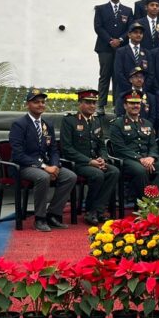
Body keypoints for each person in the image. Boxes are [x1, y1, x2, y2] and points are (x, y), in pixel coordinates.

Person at [8, 89, 77, 232]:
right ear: (28, 104)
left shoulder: (47, 124)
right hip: (24, 166)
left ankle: (53, 214)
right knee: (43, 177)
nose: (40, 105)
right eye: (36, 102)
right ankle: (39, 218)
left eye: (42, 102)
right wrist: (44, 167)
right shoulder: (19, 124)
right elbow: (18, 154)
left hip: (45, 165)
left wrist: (54, 165)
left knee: (70, 176)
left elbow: (53, 150)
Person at [60, 89, 119, 225]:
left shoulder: (97, 120)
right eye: (88, 102)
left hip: (95, 162)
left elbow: (102, 145)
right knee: (97, 175)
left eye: (94, 103)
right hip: (77, 163)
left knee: (114, 171)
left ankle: (98, 210)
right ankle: (90, 211)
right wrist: (89, 161)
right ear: (80, 103)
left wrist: (102, 158)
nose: (92, 106)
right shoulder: (69, 120)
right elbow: (67, 149)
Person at [109, 92, 159, 201]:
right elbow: (119, 148)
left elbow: (153, 144)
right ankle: (146, 204)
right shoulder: (117, 124)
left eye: (138, 103)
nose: (135, 106)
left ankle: (152, 202)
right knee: (140, 170)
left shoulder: (147, 123)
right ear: (125, 106)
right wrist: (139, 159)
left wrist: (151, 157)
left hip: (148, 159)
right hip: (128, 160)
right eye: (131, 103)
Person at [94, 0, 132, 115]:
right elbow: (98, 27)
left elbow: (130, 29)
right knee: (105, 75)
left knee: (118, 76)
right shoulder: (100, 9)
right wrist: (110, 40)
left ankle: (117, 105)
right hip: (105, 47)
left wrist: (120, 40)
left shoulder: (128, 10)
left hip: (121, 48)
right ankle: (101, 105)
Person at [114, 21, 150, 100]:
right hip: (124, 92)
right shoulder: (121, 51)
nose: (138, 35)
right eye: (135, 32)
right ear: (129, 35)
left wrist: (142, 87)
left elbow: (150, 73)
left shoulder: (147, 53)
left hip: (142, 92)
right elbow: (118, 73)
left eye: (141, 33)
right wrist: (130, 88)